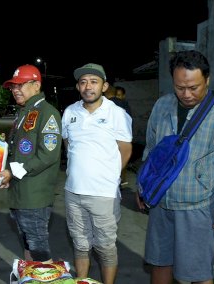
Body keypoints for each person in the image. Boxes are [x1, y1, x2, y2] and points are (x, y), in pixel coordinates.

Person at [136, 50, 214, 284]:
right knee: (159, 261)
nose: (186, 94)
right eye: (180, 87)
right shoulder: (162, 105)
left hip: (197, 206)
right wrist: (142, 186)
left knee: (198, 272)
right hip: (160, 202)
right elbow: (152, 151)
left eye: (194, 87)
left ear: (207, 80)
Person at [62, 63, 132, 284]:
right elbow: (68, 144)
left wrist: (109, 175)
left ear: (104, 86)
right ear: (77, 86)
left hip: (103, 193)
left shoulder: (117, 114)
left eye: (93, 82)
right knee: (80, 243)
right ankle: (82, 281)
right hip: (73, 191)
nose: (88, 86)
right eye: (83, 82)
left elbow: (125, 149)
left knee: (105, 245)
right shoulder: (70, 112)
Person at [0, 64, 63, 262]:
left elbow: (47, 155)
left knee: (38, 247)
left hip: (34, 195)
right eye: (13, 87)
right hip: (20, 192)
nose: (15, 90)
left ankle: (44, 279)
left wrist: (13, 173)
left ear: (36, 85)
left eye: (20, 85)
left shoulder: (47, 113)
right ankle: (30, 277)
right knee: (28, 242)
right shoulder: (24, 111)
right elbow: (19, 151)